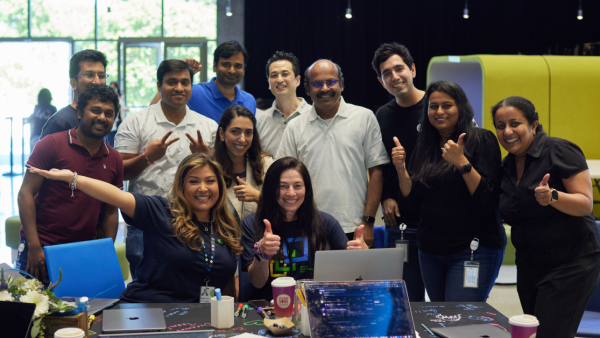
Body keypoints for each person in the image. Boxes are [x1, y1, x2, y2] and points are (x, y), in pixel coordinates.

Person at [27, 153, 242, 303]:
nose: (202, 188)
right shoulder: (161, 210)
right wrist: (73, 178)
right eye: (194, 181)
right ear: (182, 186)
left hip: (200, 318)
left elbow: (228, 284)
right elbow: (115, 195)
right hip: (148, 309)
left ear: (219, 187)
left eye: (210, 181)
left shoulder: (226, 228)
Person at [492, 96, 600, 338]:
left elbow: (585, 204)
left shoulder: (560, 150)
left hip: (570, 263)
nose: (507, 131)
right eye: (500, 126)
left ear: (534, 125)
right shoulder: (506, 166)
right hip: (530, 265)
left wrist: (553, 197)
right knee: (536, 332)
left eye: (515, 123)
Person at [394, 80, 506, 302]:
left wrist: (462, 162)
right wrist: (400, 168)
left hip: (472, 250)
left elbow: (489, 198)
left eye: (447, 105)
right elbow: (411, 201)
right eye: (433, 106)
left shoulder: (481, 139)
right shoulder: (425, 145)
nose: (439, 112)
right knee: (441, 320)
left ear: (461, 107)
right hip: (431, 251)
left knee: (461, 323)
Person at [115, 60, 217, 280]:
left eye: (185, 82)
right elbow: (120, 172)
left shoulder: (208, 126)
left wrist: (205, 158)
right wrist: (147, 157)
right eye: (171, 82)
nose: (179, 88)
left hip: (194, 221)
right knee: (145, 286)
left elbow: (219, 180)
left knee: (190, 286)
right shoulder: (136, 122)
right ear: (159, 85)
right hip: (145, 221)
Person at [16, 84, 123, 282]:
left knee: (82, 311)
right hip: (42, 248)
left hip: (82, 252)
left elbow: (110, 210)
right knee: (33, 310)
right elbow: (25, 194)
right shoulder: (52, 144)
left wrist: (105, 250)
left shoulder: (114, 158)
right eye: (96, 110)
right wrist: (34, 246)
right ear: (80, 113)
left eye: (109, 113)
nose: (102, 117)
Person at [277, 60, 389, 246]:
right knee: (310, 277)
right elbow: (283, 176)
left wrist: (368, 221)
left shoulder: (364, 117)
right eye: (317, 83)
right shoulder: (295, 126)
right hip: (307, 227)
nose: (325, 88)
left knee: (354, 276)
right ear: (306, 88)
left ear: (342, 84)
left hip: (355, 226)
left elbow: (377, 171)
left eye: (331, 82)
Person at [241, 157, 368, 300]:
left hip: (315, 307)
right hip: (267, 309)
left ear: (306, 189)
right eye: (283, 186)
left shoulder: (326, 223)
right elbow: (257, 284)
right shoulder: (252, 224)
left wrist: (363, 256)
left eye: (297, 186)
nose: (291, 193)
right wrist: (263, 255)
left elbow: (354, 277)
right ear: (271, 189)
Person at [371, 42, 426, 301]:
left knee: (445, 303)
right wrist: (386, 197)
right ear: (381, 82)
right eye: (386, 74)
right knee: (406, 299)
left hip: (439, 221)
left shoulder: (436, 108)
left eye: (399, 69)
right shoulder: (382, 115)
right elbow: (379, 166)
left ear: (413, 69)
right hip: (400, 223)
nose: (394, 77)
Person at [150, 41, 256, 122]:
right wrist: (180, 74)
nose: (232, 70)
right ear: (214, 66)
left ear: (244, 70)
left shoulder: (249, 100)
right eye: (226, 64)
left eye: (238, 66)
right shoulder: (195, 92)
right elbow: (153, 110)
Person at [213, 105, 274, 225]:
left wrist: (259, 197)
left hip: (259, 240)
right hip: (222, 241)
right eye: (235, 131)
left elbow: (283, 208)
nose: (242, 139)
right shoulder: (211, 168)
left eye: (248, 133)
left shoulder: (266, 165)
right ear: (222, 133)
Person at [41, 50, 108, 138]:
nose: (97, 81)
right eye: (89, 75)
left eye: (101, 76)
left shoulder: (101, 120)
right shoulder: (60, 123)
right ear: (73, 83)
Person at [256, 51, 312, 155]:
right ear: (269, 83)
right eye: (274, 75)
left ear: (298, 80)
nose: (279, 79)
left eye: (285, 74)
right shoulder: (260, 122)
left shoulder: (314, 115)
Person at [106, 81, 128, 147]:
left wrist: (125, 109)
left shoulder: (120, 96)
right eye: (111, 86)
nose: (113, 88)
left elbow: (121, 107)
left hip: (120, 120)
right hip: (113, 120)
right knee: (111, 139)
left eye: (114, 87)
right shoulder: (108, 97)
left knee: (120, 138)